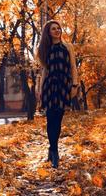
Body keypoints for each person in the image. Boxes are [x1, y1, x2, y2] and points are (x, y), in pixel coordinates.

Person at [35, 20, 78, 168]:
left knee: (58, 120)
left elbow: (73, 66)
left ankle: (52, 148)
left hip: (63, 86)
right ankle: (55, 152)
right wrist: (40, 90)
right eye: (53, 29)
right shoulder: (45, 49)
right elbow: (44, 71)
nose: (57, 30)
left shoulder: (68, 47)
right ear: (48, 32)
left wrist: (75, 84)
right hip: (49, 86)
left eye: (58, 28)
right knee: (50, 119)